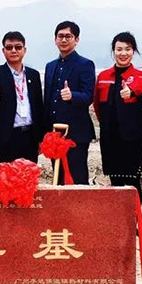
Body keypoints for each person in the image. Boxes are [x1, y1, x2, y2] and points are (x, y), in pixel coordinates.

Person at [93, 31, 142, 196]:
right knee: (115, 183)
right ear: (113, 51)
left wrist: (130, 92)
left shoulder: (140, 75)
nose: (123, 53)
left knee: (132, 183)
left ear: (133, 51)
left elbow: (139, 87)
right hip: (110, 138)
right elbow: (97, 105)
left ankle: (135, 213)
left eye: (128, 49)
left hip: (132, 139)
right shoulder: (103, 76)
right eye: (119, 49)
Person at [43, 20, 96, 184]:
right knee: (57, 179)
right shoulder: (50, 66)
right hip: (54, 134)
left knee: (77, 178)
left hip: (76, 133)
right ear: (55, 40)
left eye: (68, 36)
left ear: (76, 39)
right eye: (60, 36)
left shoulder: (85, 64)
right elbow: (47, 101)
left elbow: (88, 96)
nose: (64, 40)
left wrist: (72, 95)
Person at [0, 31, 44, 163]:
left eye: (18, 47)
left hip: (30, 136)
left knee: (29, 173)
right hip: (7, 137)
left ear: (24, 50)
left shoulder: (33, 75)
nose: (13, 50)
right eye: (9, 47)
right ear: (3, 51)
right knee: (6, 173)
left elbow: (38, 107)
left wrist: (40, 137)